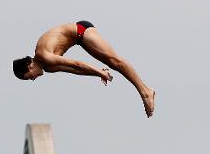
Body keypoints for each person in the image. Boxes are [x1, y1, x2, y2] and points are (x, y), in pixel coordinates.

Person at [13, 20, 155, 118]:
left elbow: (76, 64)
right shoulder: (49, 67)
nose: (33, 78)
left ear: (29, 66)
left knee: (114, 61)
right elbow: (76, 70)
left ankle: (145, 92)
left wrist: (99, 71)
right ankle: (145, 91)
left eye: (29, 76)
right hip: (80, 40)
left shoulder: (43, 56)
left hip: (82, 31)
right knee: (113, 64)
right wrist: (97, 73)